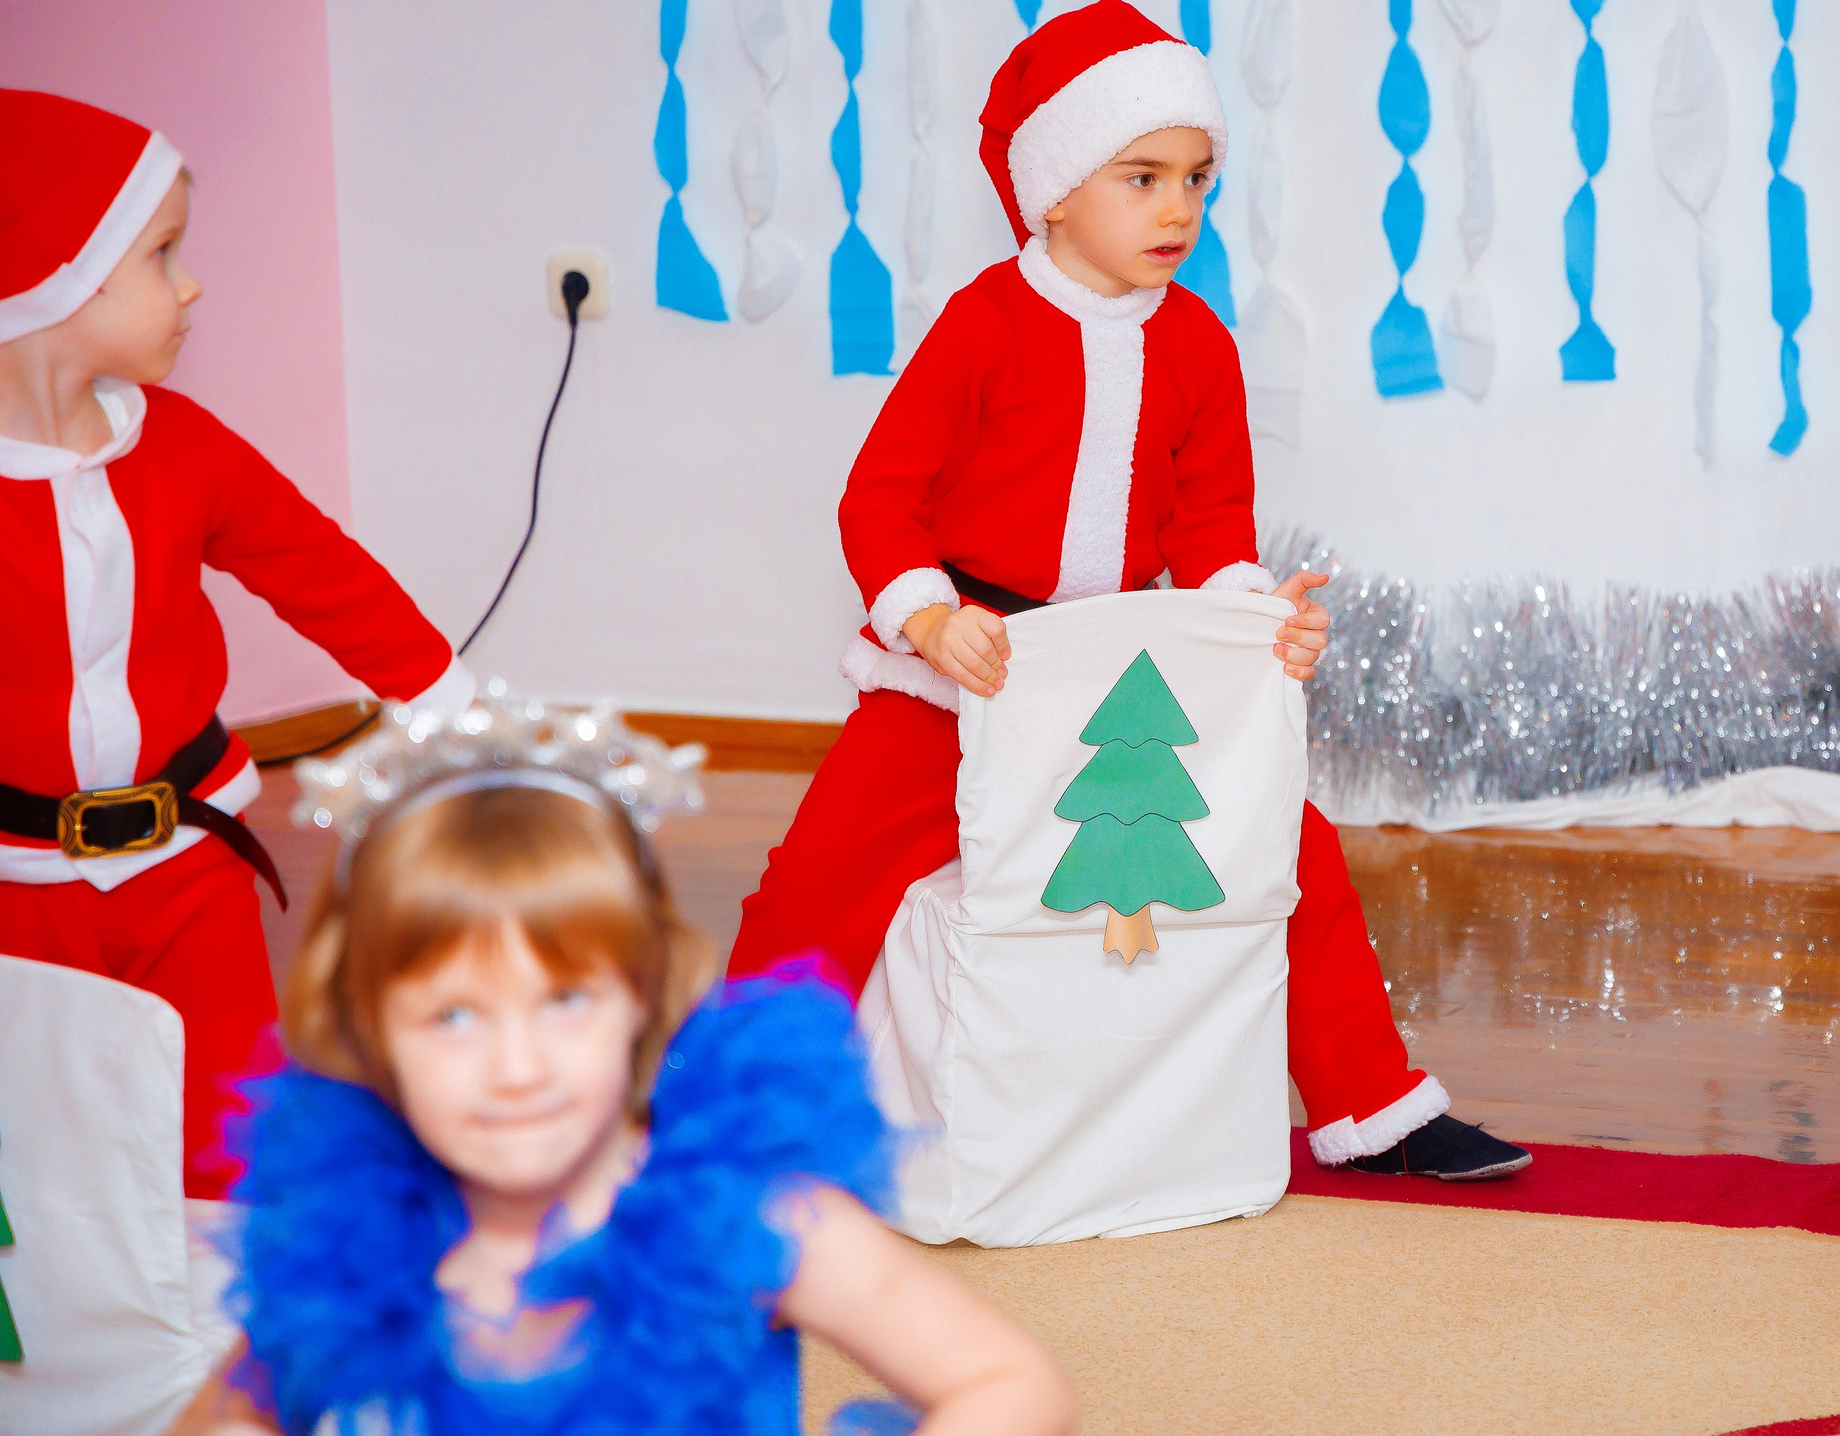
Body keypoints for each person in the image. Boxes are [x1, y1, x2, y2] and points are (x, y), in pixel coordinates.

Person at [729, 0, 1528, 1179]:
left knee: (1289, 846)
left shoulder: (1198, 342)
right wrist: (931, 618)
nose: (1178, 210)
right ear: (1054, 190)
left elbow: (1208, 526)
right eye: (1141, 178)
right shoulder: (983, 325)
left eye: (1198, 180)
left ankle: (1375, 1104)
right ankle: (731, 1105)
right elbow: (878, 500)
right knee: (824, 877)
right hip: (965, 655)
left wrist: (1262, 621)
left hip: (1116, 664)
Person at [173, 694, 1075, 1435]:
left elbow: (1013, 1383)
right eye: (453, 1016)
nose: (516, 1067)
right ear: (368, 1030)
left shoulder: (741, 1212)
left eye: (565, 1000)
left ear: (643, 997)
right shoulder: (349, 1237)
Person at [0, 89, 472, 1199]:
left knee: (232, 1137)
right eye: (161, 254)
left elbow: (320, 570)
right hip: (16, 889)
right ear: (50, 280)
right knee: (45, 1155)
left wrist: (449, 712)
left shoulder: (185, 447)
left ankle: (249, 1341)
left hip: (188, 862)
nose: (193, 283)